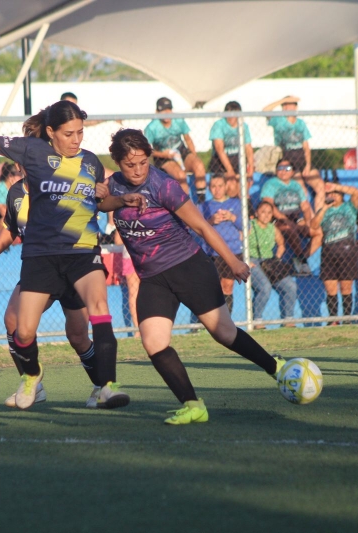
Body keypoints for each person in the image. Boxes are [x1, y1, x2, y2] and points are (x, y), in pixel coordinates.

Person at [0, 99, 131, 410]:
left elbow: (101, 201)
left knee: (95, 315)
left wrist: (116, 198)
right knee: (22, 330)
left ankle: (107, 386)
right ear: (51, 132)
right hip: (42, 257)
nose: (76, 139)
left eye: (80, 133)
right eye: (69, 133)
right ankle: (32, 377)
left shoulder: (90, 162)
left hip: (83, 252)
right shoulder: (32, 153)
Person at [99, 129, 285, 424]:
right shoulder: (114, 185)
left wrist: (233, 262)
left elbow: (202, 226)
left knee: (223, 333)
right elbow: (101, 203)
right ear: (117, 163)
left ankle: (276, 367)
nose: (138, 170)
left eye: (143, 163)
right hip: (153, 278)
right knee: (154, 343)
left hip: (188, 267)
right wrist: (121, 200)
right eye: (130, 165)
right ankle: (193, 405)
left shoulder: (163, 185)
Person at [0, 176, 102, 408]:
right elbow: (11, 228)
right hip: (40, 269)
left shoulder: (63, 184)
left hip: (71, 265)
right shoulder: (16, 192)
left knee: (78, 336)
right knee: (13, 320)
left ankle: (102, 386)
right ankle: (33, 383)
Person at [263, 96, 325, 212]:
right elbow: (265, 110)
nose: (288, 107)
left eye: (291, 105)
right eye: (286, 105)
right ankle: (308, 217)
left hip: (301, 157)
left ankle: (319, 215)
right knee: (301, 189)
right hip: (288, 158)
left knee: (320, 186)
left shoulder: (300, 123)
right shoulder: (278, 121)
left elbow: (306, 147)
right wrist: (282, 100)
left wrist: (307, 165)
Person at [310, 181, 358, 325]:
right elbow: (313, 225)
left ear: (341, 195)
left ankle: (347, 319)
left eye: (336, 194)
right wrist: (324, 208)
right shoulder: (324, 210)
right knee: (330, 288)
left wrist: (335, 187)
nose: (332, 196)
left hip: (347, 252)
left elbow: (355, 192)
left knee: (346, 287)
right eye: (330, 194)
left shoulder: (349, 207)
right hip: (329, 252)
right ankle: (333, 319)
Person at [260, 158, 319, 274]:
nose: (283, 171)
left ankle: (300, 258)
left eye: (287, 168)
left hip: (296, 218)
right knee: (289, 228)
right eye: (280, 168)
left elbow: (305, 206)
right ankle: (303, 262)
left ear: (292, 172)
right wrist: (286, 220)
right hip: (278, 220)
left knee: (318, 232)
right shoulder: (271, 184)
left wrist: (307, 222)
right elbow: (269, 205)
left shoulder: (296, 185)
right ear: (276, 170)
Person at [246, 201, 299, 327]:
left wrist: (277, 259)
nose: (266, 215)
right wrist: (246, 260)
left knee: (291, 286)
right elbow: (240, 242)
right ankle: (257, 320)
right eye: (263, 212)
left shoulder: (272, 228)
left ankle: (288, 319)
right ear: (257, 213)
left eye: (269, 213)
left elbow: (281, 244)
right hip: (252, 260)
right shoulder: (250, 225)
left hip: (269, 261)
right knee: (265, 287)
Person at [144, 97, 207, 201]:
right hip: (163, 157)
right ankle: (186, 204)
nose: (166, 113)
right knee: (180, 175)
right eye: (163, 110)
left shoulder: (178, 120)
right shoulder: (152, 127)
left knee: (198, 165)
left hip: (181, 151)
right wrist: (163, 155)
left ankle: (202, 202)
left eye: (169, 109)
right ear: (157, 112)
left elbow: (188, 139)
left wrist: (193, 157)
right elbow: (147, 150)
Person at [198, 174, 243, 315]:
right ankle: (209, 320)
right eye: (213, 186)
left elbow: (246, 226)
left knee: (228, 286)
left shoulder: (236, 204)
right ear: (209, 188)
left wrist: (232, 217)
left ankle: (226, 320)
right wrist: (210, 221)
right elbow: (195, 229)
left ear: (226, 186)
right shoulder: (204, 206)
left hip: (232, 251)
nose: (217, 189)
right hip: (212, 252)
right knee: (211, 288)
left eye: (220, 186)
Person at [208, 101, 254, 187]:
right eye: (228, 115)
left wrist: (251, 167)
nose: (231, 118)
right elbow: (219, 149)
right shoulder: (219, 125)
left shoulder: (243, 126)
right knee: (230, 184)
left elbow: (248, 147)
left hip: (237, 157)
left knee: (246, 183)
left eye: (233, 115)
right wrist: (230, 171)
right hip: (221, 160)